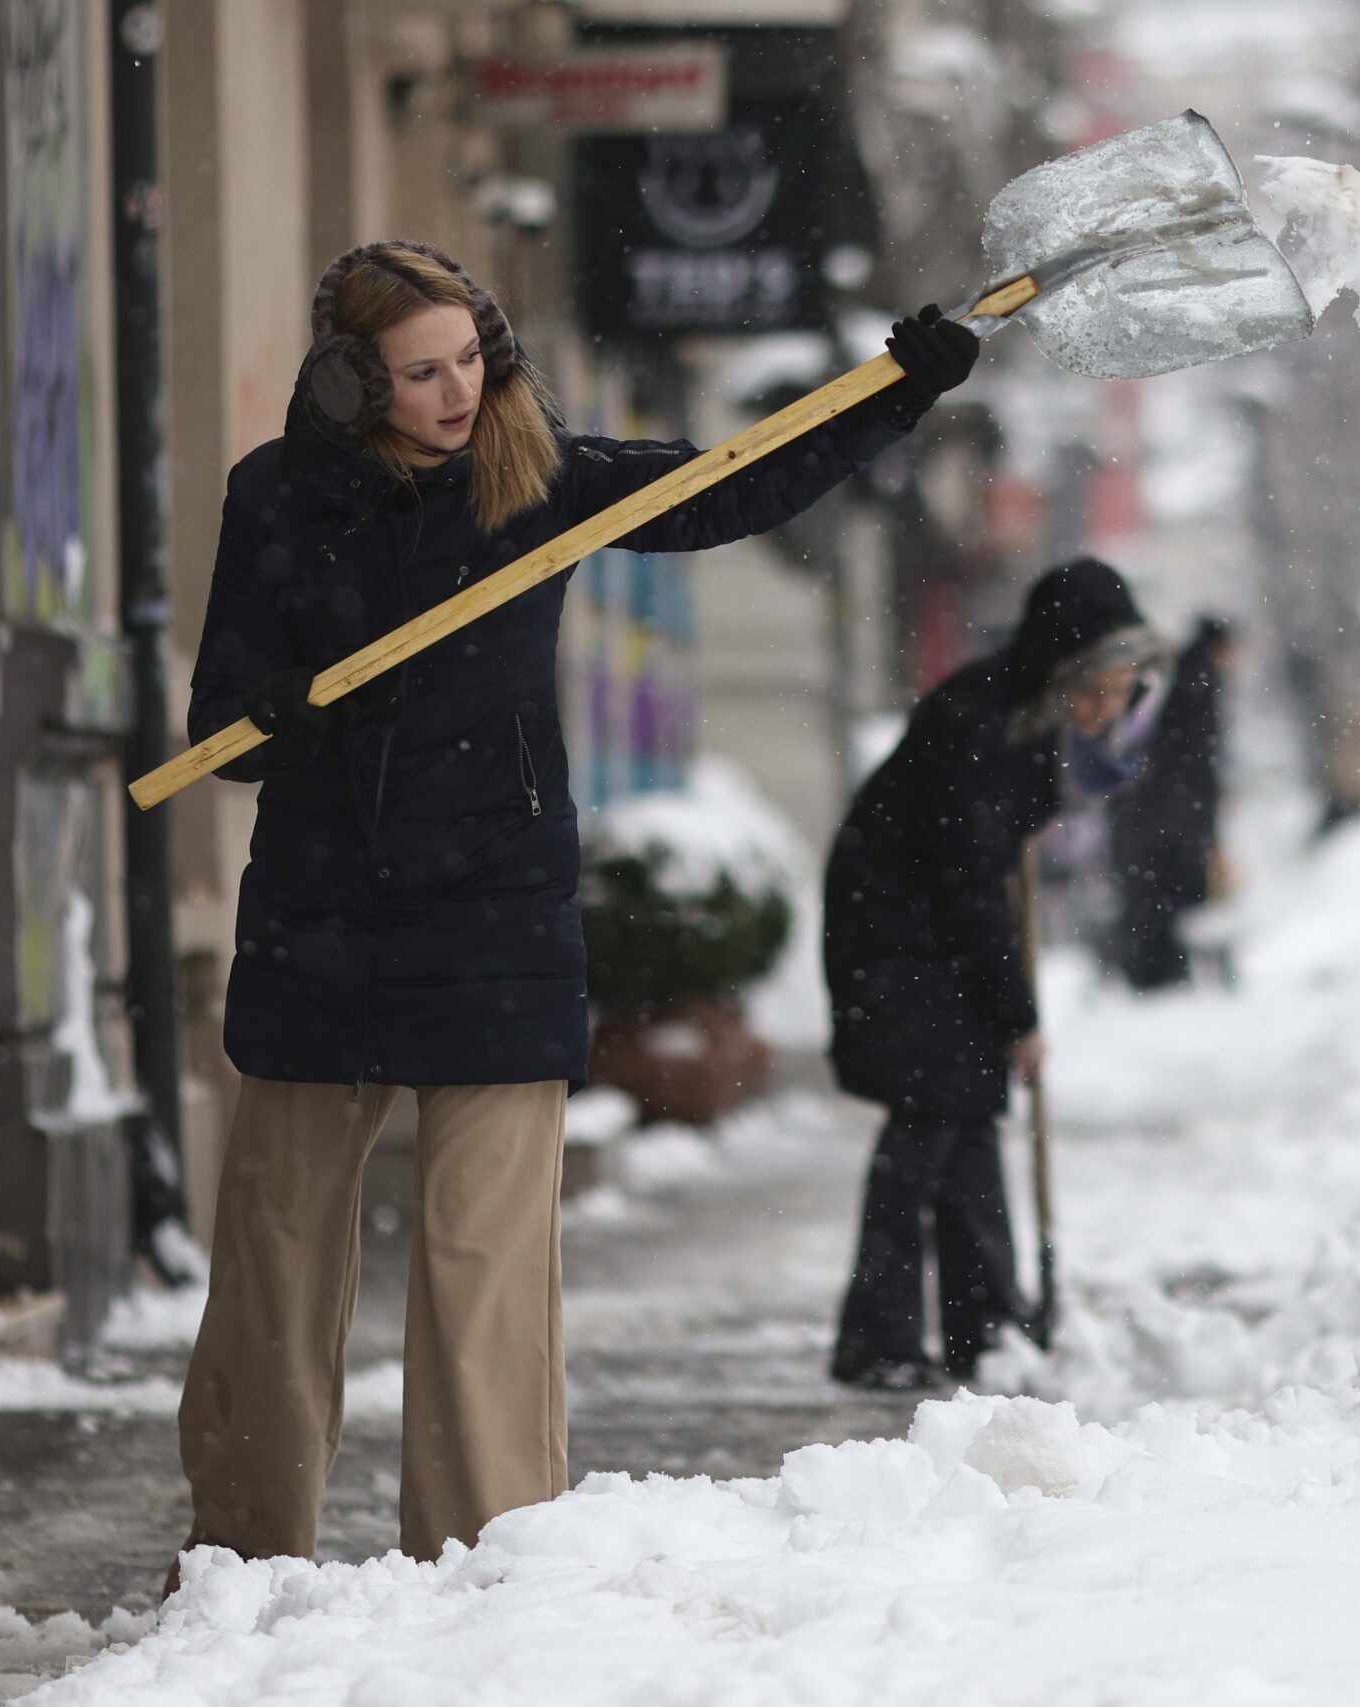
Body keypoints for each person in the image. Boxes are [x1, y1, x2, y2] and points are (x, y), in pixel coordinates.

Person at [171, 240, 978, 1580]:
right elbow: (223, 725)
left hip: (494, 910)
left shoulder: (535, 478)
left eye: (469, 361)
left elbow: (735, 487)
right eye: (419, 371)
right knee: (273, 1253)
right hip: (323, 910)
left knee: (485, 1265)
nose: (454, 391)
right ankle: (241, 1558)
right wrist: (278, 716)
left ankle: (489, 1562)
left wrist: (891, 394)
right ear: (345, 381)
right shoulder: (278, 497)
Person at [823, 559, 1164, 1390]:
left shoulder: (1024, 718)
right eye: (1100, 689)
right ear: (1062, 672)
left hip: (932, 932)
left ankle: (988, 1327)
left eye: (1124, 691)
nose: (1110, 709)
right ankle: (880, 1340)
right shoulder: (979, 724)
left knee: (967, 1119)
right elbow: (971, 881)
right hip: (897, 933)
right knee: (929, 1125)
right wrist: (1019, 1015)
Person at [1109, 616, 1234, 991]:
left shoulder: (1183, 679)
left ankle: (1156, 970)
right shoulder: (1200, 684)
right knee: (1175, 895)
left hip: (1157, 814)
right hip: (1176, 814)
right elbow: (1198, 757)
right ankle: (1165, 972)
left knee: (1155, 897)